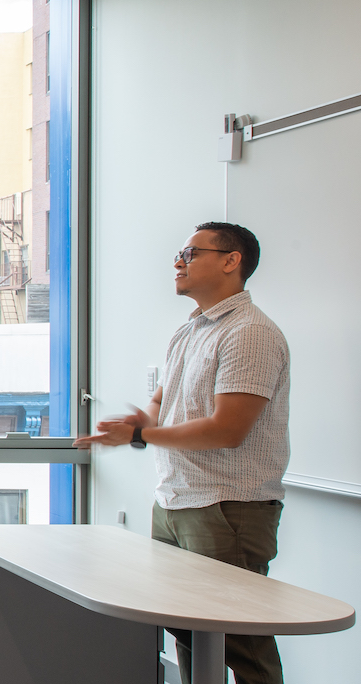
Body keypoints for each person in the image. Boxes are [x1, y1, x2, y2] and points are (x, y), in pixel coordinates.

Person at [75, 221, 289, 684]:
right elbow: (159, 411)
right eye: (180, 253)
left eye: (191, 254)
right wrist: (136, 426)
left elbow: (227, 429)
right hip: (175, 501)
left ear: (232, 261)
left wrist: (140, 437)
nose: (178, 262)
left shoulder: (250, 332)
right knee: (191, 635)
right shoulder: (191, 330)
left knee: (241, 643)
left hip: (227, 507)